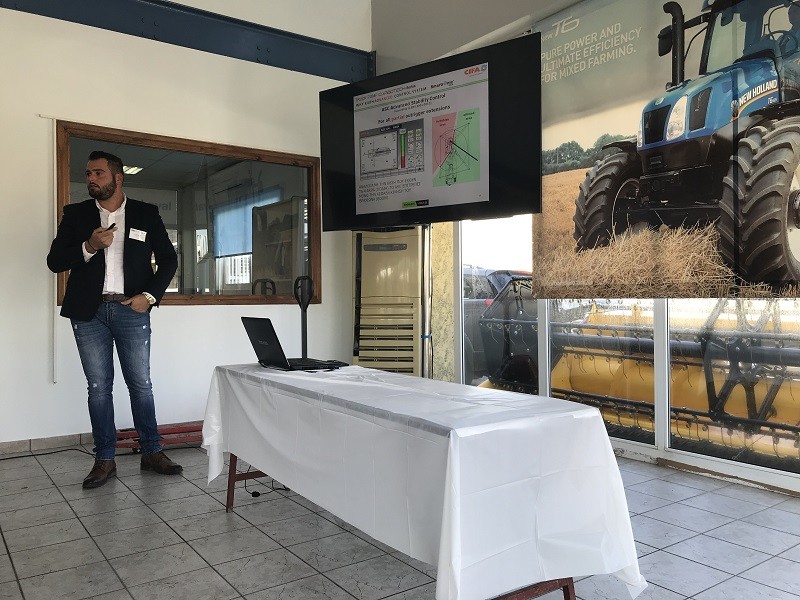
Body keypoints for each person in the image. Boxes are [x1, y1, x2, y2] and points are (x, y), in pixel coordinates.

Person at [47, 150, 182, 489]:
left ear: (118, 178)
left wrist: (149, 296)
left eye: (98, 173)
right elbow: (55, 261)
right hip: (88, 312)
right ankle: (105, 459)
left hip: (130, 310)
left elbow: (168, 259)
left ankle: (151, 452)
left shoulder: (146, 213)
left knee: (141, 384)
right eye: (88, 173)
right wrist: (89, 246)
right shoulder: (76, 214)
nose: (91, 178)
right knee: (98, 388)